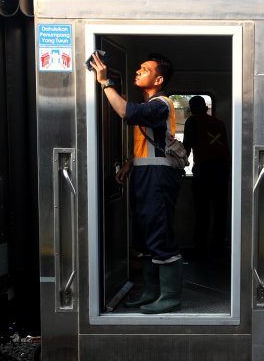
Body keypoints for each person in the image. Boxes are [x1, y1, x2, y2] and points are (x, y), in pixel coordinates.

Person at [89, 52, 183, 314]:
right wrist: (131, 162)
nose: (139, 72)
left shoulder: (160, 103)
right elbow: (150, 141)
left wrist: (105, 82)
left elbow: (124, 112)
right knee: (144, 234)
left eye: (146, 69)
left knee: (159, 231)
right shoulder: (149, 105)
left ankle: (170, 297)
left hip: (158, 177)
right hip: (144, 174)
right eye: (139, 68)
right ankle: (151, 292)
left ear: (159, 78)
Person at [183, 96, 230, 260]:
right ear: (204, 107)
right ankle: (217, 248)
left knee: (202, 212)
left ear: (192, 109)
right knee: (220, 212)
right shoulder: (219, 123)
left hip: (203, 171)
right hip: (222, 171)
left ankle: (200, 250)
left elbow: (187, 146)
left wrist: (180, 164)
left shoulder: (192, 122)